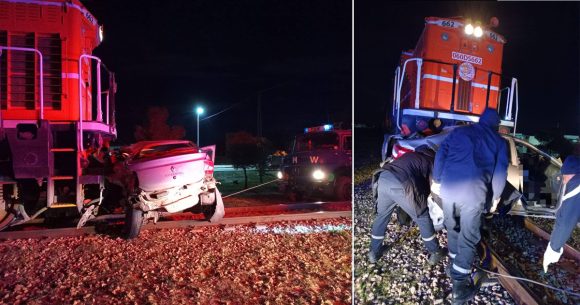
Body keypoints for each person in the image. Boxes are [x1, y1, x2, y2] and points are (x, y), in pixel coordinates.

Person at [431, 108, 508, 304]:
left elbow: (441, 154)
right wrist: (495, 199)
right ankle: (459, 287)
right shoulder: (500, 142)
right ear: (496, 125)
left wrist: (438, 179)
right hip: (474, 195)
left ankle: (454, 265)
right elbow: (500, 174)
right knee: (469, 236)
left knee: (453, 228)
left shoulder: (460, 132)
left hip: (449, 190)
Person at [369, 145, 447, 264]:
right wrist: (445, 208)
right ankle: (435, 252)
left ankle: (374, 252)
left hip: (383, 179)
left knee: (381, 217)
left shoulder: (410, 155)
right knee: (422, 216)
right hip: (402, 183)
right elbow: (435, 189)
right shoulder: (432, 161)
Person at [543, 155, 580, 272]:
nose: (563, 180)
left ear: (571, 174)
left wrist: (552, 251)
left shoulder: (576, 187)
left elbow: (565, 222)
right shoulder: (573, 178)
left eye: (564, 177)